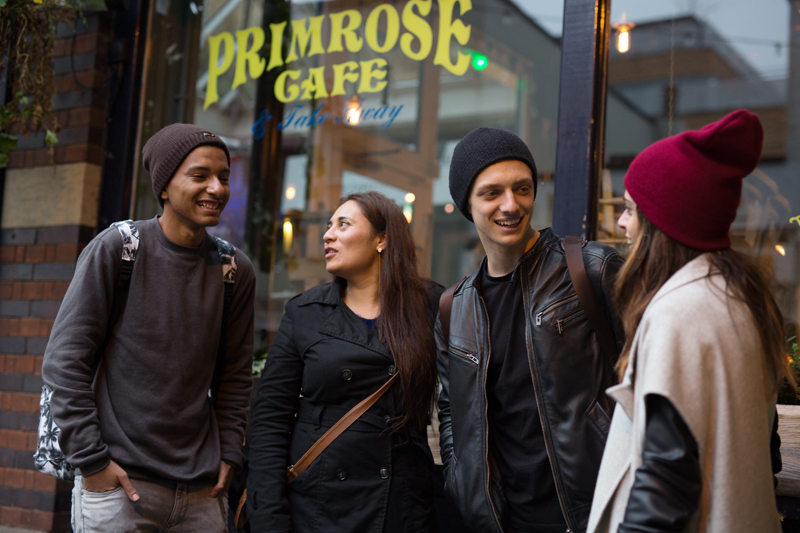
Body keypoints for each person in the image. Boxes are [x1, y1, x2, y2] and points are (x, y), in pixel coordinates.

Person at [41, 124, 256, 532]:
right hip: (120, 484)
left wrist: (229, 453)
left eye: (224, 177)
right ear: (163, 185)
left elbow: (235, 375)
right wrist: (93, 462)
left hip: (201, 492)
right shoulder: (119, 248)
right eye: (200, 175)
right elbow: (63, 361)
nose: (217, 188)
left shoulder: (234, 270)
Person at [587, 109, 787, 533]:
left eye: (629, 210)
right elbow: (767, 452)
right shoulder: (739, 299)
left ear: (662, 222)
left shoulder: (681, 313)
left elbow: (664, 485)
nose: (621, 222)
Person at [437, 127, 624, 533]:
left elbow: (650, 379)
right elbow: (451, 407)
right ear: (466, 203)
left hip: (592, 510)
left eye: (522, 188)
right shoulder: (455, 308)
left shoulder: (590, 268)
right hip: (503, 519)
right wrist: (459, 479)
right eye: (492, 193)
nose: (511, 204)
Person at [246, 191, 443, 533]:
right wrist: (268, 518)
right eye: (328, 225)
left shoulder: (431, 307)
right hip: (318, 505)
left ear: (381, 239)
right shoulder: (305, 312)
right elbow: (269, 422)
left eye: (343, 224)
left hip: (401, 504)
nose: (327, 234)